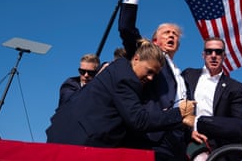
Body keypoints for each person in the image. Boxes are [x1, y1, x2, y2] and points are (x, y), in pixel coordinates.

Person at [46, 39, 195, 147]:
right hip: (76, 142)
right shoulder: (126, 79)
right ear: (136, 59)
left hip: (69, 136)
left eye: (155, 75)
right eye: (149, 71)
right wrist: (179, 113)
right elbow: (138, 120)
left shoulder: (120, 69)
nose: (150, 78)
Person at [119, 0, 191, 161]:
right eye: (166, 32)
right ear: (155, 40)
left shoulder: (182, 75)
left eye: (175, 34)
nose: (172, 36)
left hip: (178, 147)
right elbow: (126, 29)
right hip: (152, 140)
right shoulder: (148, 56)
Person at [182, 37, 242, 161]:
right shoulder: (188, 75)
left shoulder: (235, 88)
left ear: (224, 56)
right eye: (209, 51)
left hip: (220, 152)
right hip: (188, 147)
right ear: (203, 55)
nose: (213, 55)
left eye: (218, 52)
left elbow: (241, 125)